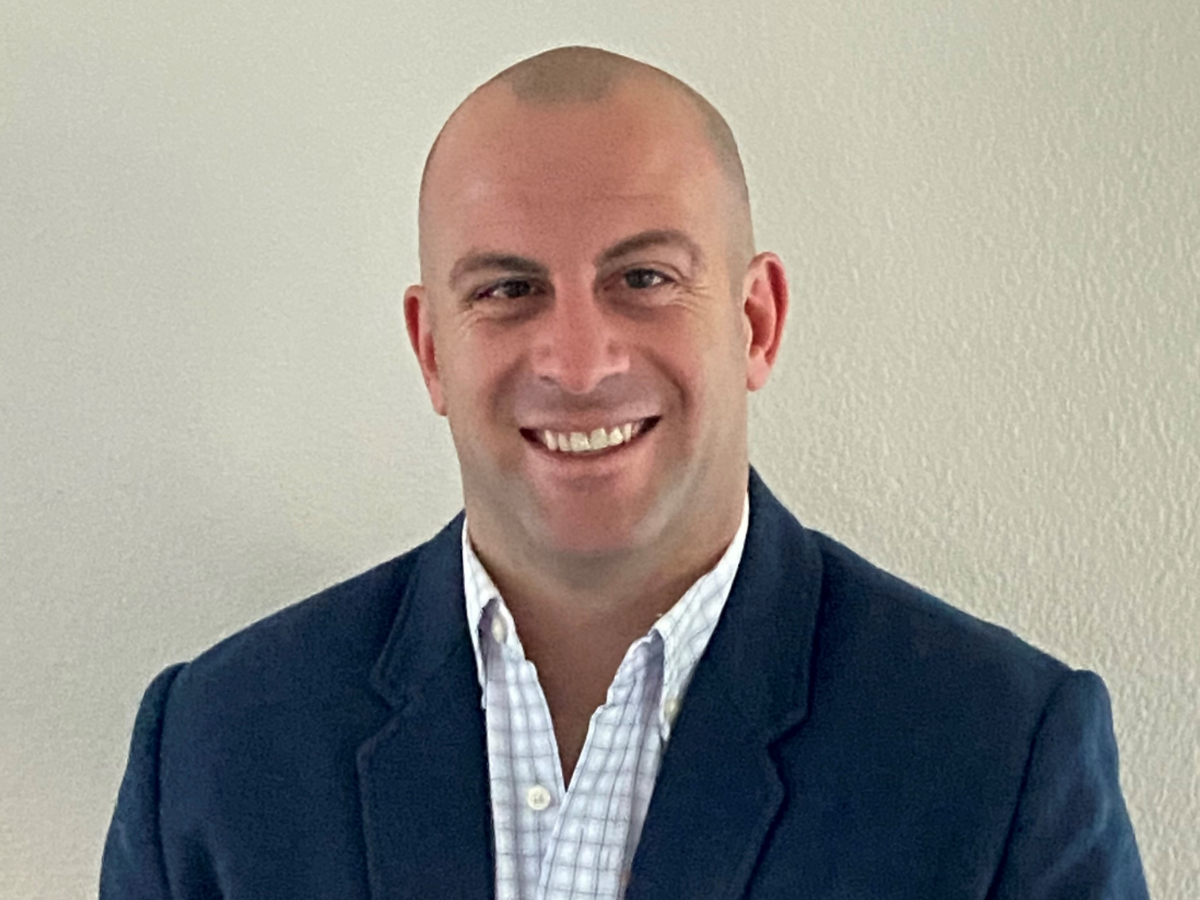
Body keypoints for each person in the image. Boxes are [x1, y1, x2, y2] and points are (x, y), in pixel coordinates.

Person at [101, 46, 1149, 900]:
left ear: (756, 322)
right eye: (509, 289)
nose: (579, 361)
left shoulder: (999, 756)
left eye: (643, 278)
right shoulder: (214, 753)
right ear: (431, 350)